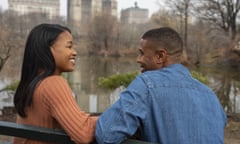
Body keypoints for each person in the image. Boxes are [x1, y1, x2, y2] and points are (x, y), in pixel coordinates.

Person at [95, 27, 227, 144]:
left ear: (160, 56)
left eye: (141, 53)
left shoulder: (147, 84)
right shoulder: (211, 95)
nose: (138, 59)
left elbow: (106, 135)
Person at [13, 23, 97, 144]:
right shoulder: (53, 83)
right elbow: (83, 133)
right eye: (69, 46)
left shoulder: (33, 82)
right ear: (49, 49)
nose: (74, 52)